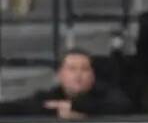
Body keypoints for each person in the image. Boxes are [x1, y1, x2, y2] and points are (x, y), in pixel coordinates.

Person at [0, 49, 132, 117]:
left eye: (84, 69)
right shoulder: (51, 97)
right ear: (60, 74)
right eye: (72, 69)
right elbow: (21, 107)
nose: (78, 75)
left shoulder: (108, 95)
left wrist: (76, 107)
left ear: (92, 75)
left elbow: (122, 106)